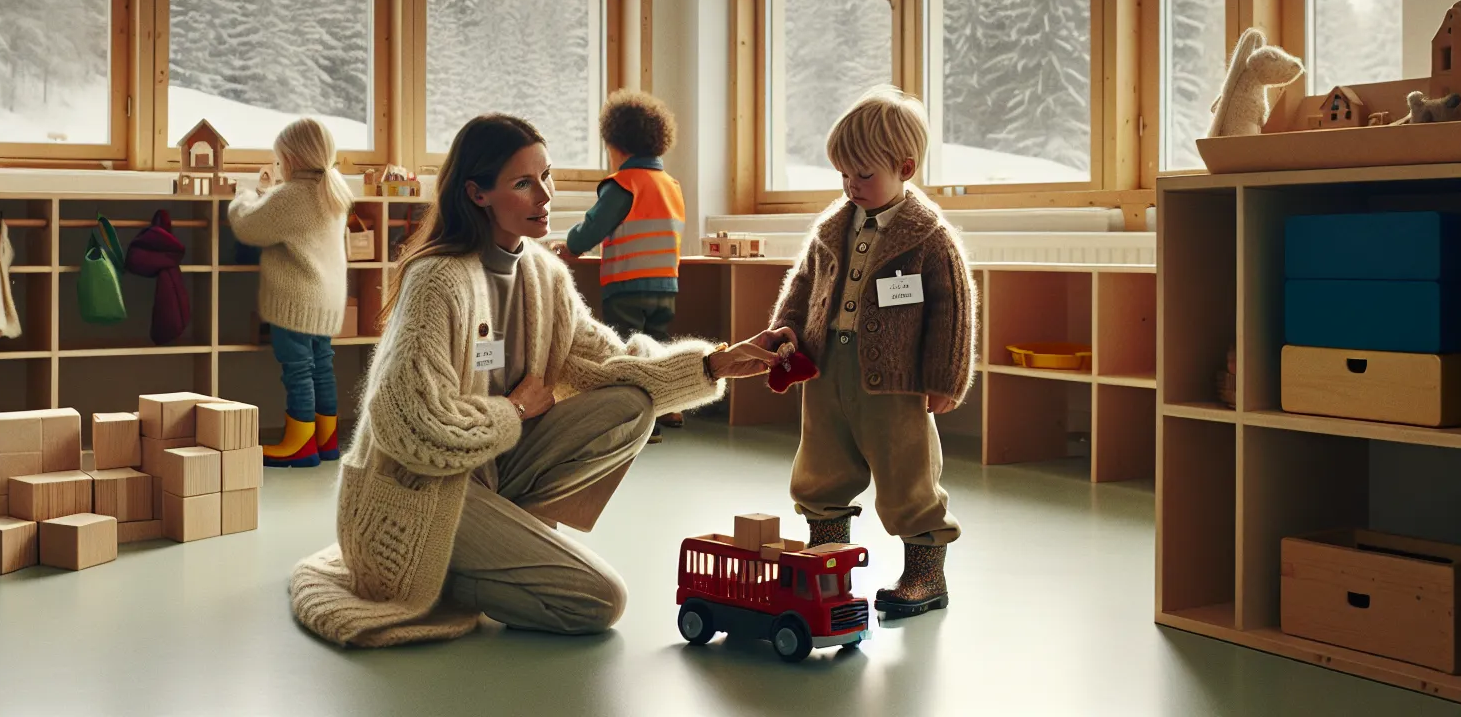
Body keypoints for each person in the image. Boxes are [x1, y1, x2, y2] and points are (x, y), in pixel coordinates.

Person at [289, 113, 793, 647]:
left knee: (631, 404)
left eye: (546, 176)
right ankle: (439, 569)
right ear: (478, 194)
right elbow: (408, 423)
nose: (545, 195)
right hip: (421, 488)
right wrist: (514, 412)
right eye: (523, 183)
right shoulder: (437, 279)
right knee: (600, 600)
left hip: (492, 473)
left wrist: (714, 364)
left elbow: (609, 361)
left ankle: (492, 543)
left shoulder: (544, 273)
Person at [770, 86, 975, 617]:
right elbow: (803, 285)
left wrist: (945, 379)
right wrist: (785, 331)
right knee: (821, 464)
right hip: (826, 369)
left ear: (905, 168)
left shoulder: (929, 237)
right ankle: (825, 562)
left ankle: (925, 575)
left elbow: (952, 311)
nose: (850, 185)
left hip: (897, 380)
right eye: (842, 174)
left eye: (863, 174)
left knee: (908, 470)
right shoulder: (832, 228)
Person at [560, 90, 687, 441]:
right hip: (665, 286)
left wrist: (570, 246)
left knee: (629, 354)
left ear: (616, 145)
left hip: (627, 287)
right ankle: (670, 406)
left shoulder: (623, 185)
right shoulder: (671, 186)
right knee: (658, 349)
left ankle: (643, 424)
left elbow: (593, 227)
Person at [228, 118, 353, 467]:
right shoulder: (334, 189)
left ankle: (300, 445)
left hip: (296, 301)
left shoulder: (293, 195)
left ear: (292, 158)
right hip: (326, 300)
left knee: (297, 370)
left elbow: (248, 226)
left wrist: (244, 195)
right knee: (321, 366)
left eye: (280, 158)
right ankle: (326, 441)